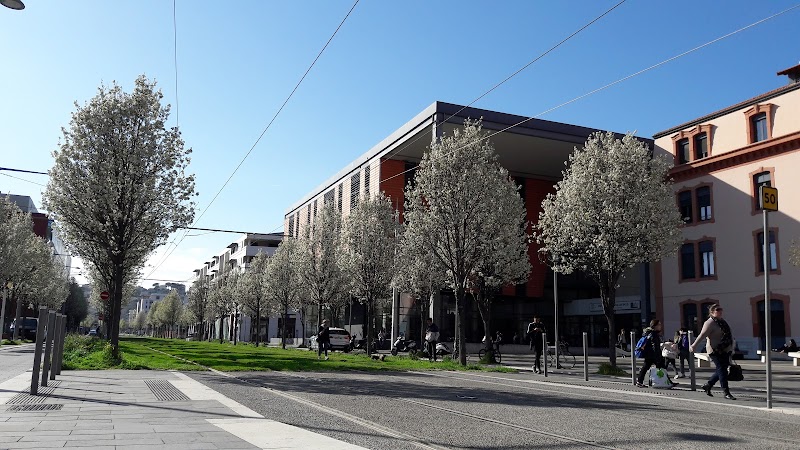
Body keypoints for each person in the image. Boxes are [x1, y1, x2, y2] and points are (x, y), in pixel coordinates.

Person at [690, 304, 736, 400]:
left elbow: (729, 335)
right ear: (712, 312)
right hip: (715, 350)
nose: (720, 311)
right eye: (717, 310)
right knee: (722, 370)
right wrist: (694, 345)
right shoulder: (709, 323)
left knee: (722, 369)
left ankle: (708, 385)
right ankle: (726, 392)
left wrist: (732, 348)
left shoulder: (722, 322)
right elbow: (702, 335)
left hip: (725, 349)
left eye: (721, 309)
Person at [635, 319, 664, 387]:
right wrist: (658, 355)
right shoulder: (653, 334)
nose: (660, 326)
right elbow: (655, 346)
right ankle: (662, 382)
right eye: (659, 324)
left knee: (645, 367)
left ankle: (640, 382)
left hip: (648, 353)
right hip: (652, 354)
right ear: (655, 326)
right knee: (661, 367)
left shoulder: (648, 333)